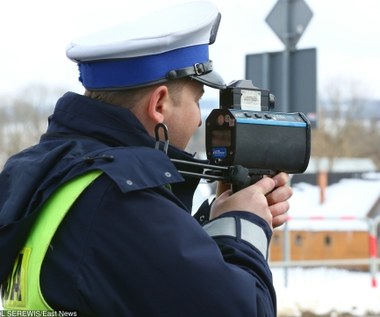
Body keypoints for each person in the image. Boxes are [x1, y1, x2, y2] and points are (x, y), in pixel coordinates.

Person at [0, 1, 292, 316]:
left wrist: (217, 219)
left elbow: (133, 279)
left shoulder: (47, 172)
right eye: (197, 101)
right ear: (160, 104)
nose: (198, 121)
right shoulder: (121, 200)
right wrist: (244, 227)